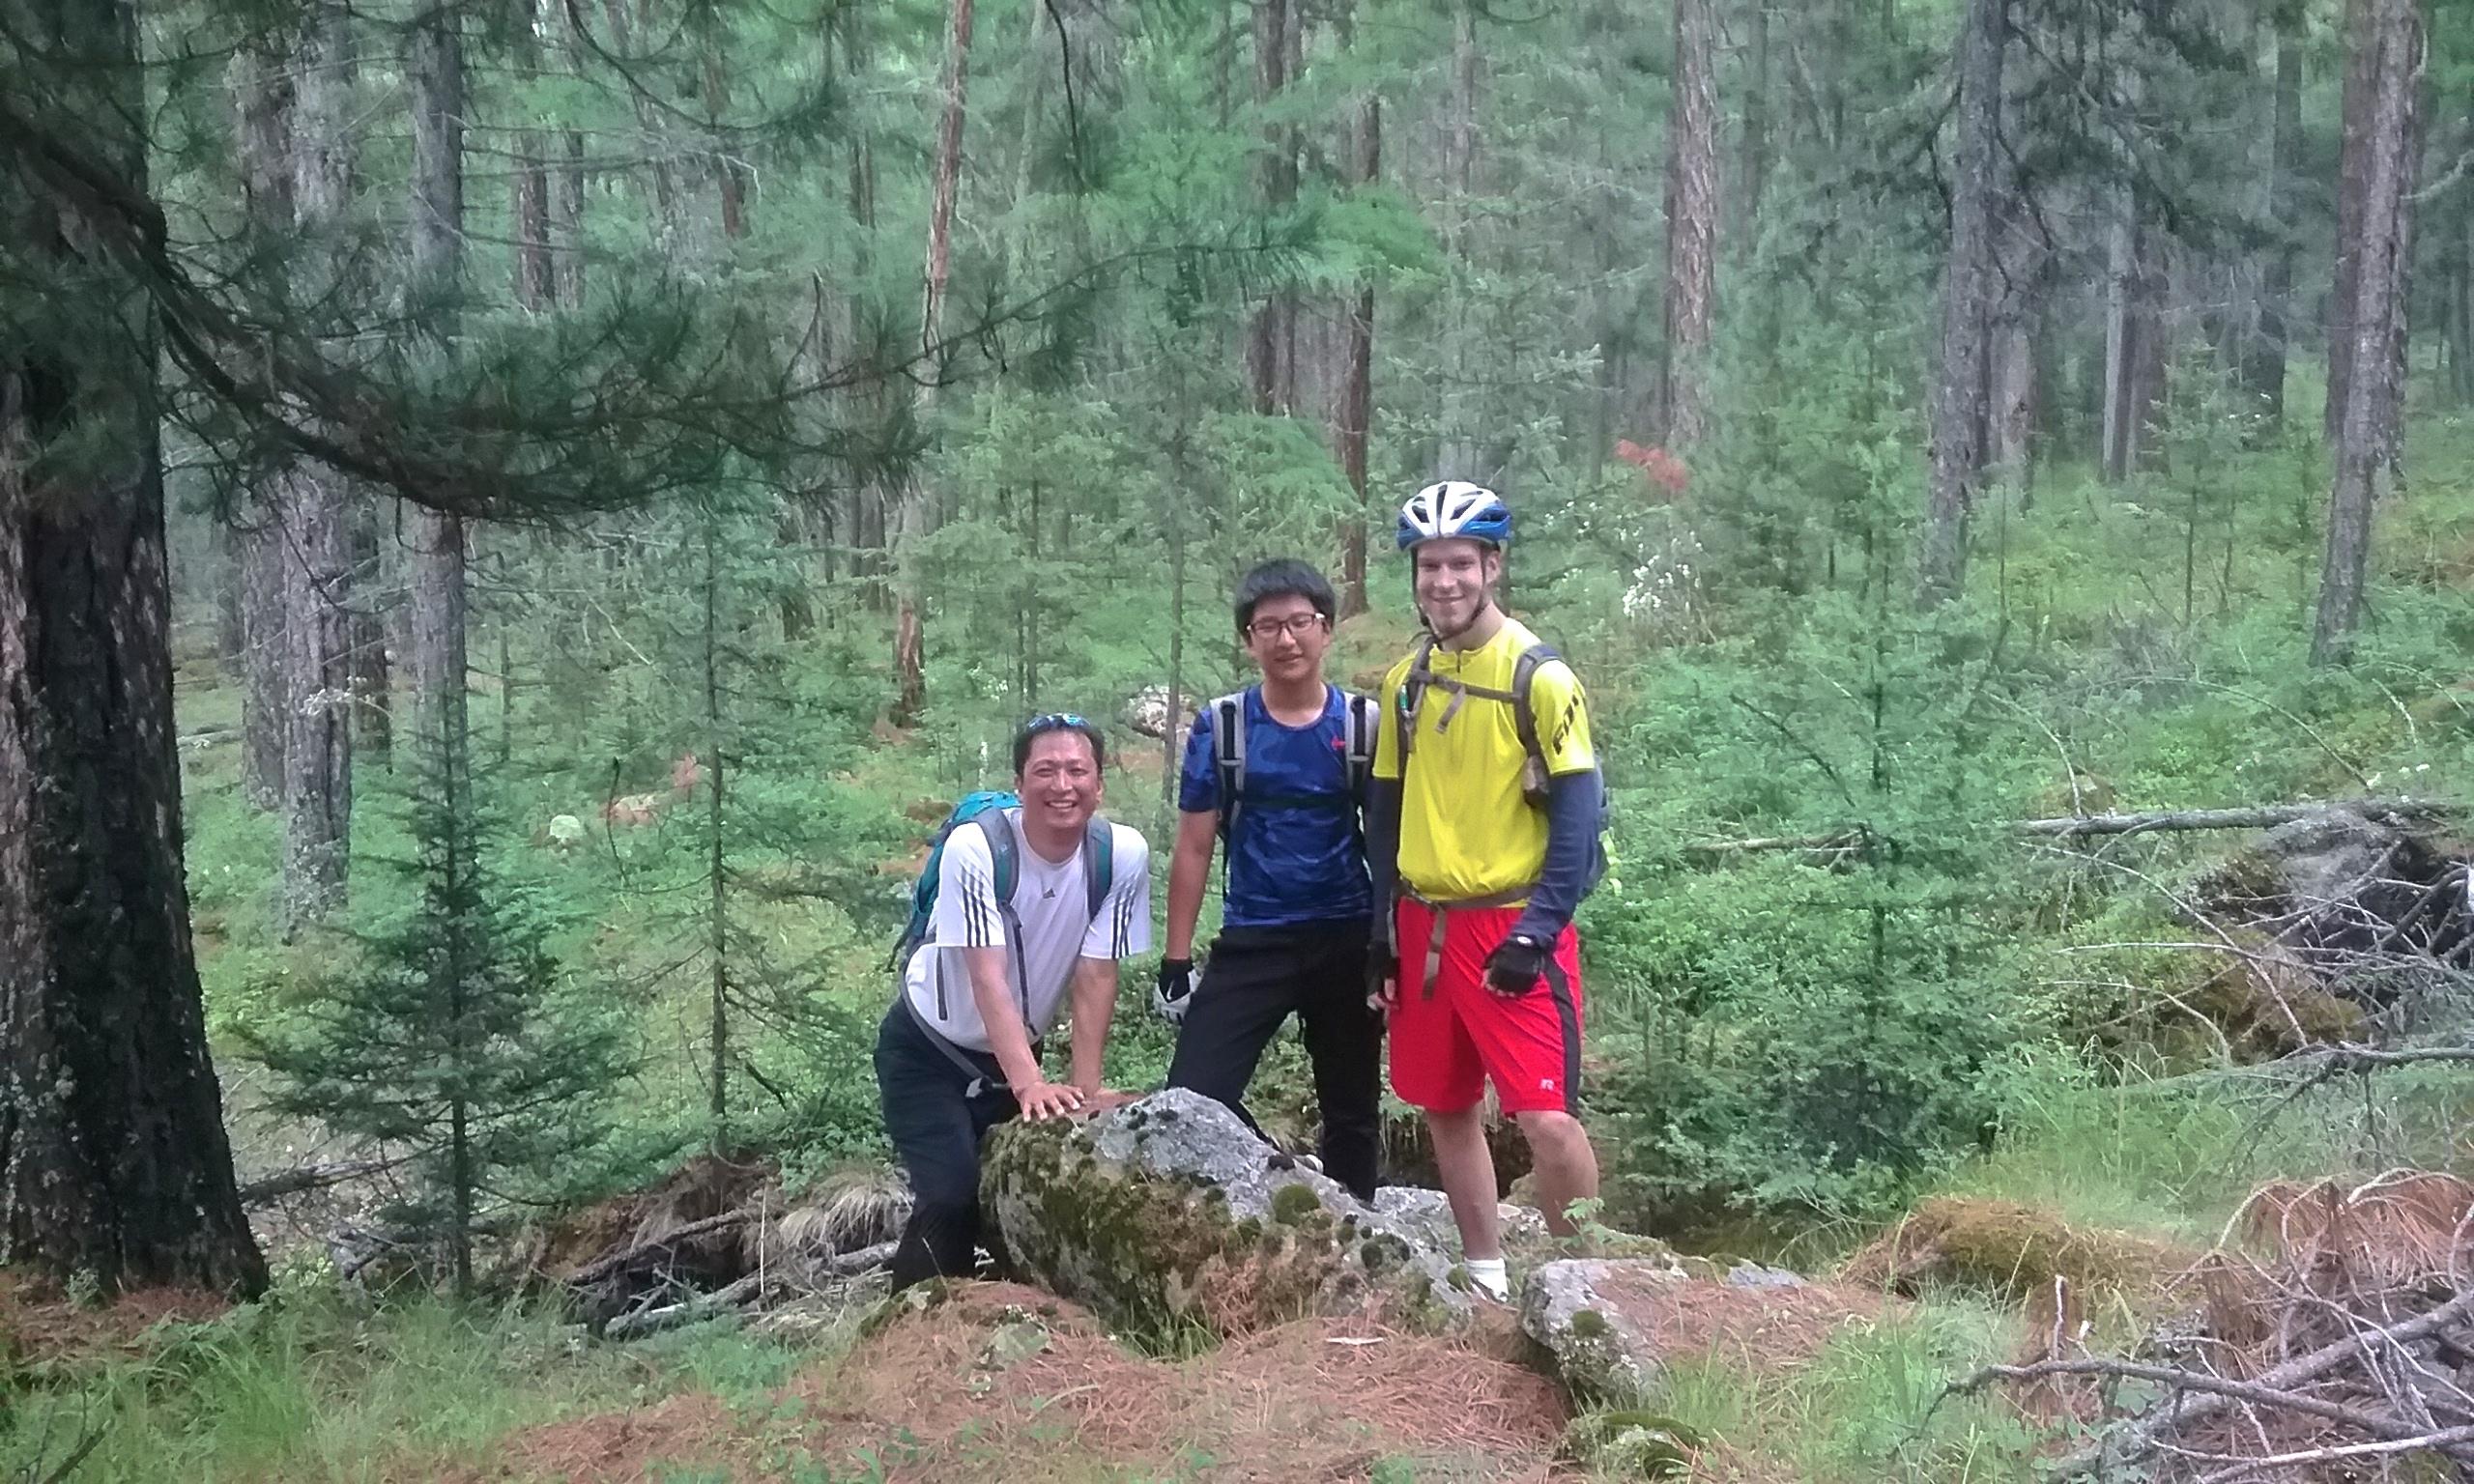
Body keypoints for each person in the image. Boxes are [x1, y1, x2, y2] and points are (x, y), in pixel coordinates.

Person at [1366, 480, 1604, 1303]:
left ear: (1493, 566)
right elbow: (1386, 813)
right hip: (1423, 920)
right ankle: (1487, 1276)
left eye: (1461, 564)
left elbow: (1578, 817)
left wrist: (1539, 929)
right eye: (1430, 565)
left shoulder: (1541, 675)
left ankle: (1587, 1284)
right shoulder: (1405, 682)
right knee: (1444, 1101)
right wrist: (1380, 931)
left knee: (1546, 1118)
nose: (1443, 582)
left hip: (1513, 921)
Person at [875, 713, 1152, 1292]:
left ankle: (992, 1325)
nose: (1062, 785)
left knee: (1010, 1195)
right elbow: (987, 978)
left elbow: (1096, 975)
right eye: (1045, 771)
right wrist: (1029, 1084)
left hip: (1008, 1055)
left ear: (1100, 785)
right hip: (927, 1053)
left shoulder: (1118, 856)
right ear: (1019, 783)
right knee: (951, 1194)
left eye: (1078, 771)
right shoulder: (976, 849)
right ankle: (908, 1332)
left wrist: (1087, 1090)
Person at [1157, 560, 1383, 1202]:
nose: (1287, 640)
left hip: (1347, 936)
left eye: (1300, 623)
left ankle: (1357, 1235)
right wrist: (1177, 961)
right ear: (1248, 639)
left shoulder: (1361, 725)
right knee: (1193, 1097)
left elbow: (1391, 842)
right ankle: (1260, 1192)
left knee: (1353, 1113)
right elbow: (1196, 845)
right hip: (1256, 938)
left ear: (1327, 630)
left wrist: (1389, 940)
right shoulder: (1224, 727)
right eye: (1269, 626)